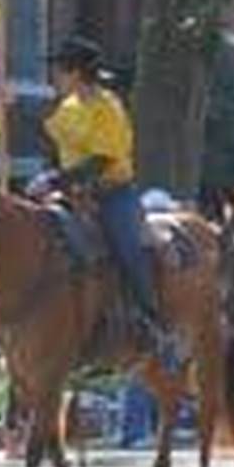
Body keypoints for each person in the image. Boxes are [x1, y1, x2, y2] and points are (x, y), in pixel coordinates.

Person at [40, 35, 179, 374]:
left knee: (127, 247)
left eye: (59, 69)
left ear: (77, 73)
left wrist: (56, 179)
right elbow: (57, 147)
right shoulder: (66, 108)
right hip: (73, 196)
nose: (54, 76)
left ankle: (154, 325)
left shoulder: (108, 107)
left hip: (113, 193)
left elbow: (103, 159)